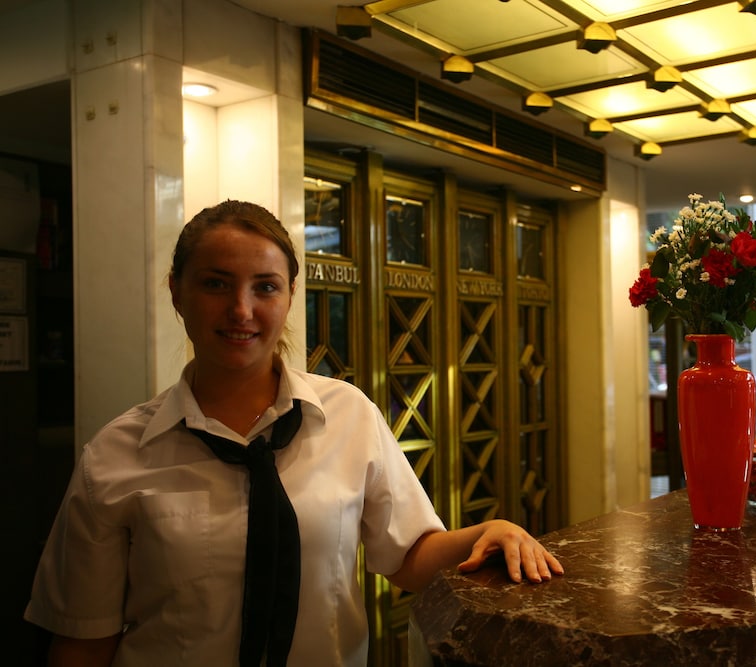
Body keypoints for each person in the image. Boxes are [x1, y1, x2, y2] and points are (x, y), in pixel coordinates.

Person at [24, 200, 564, 667]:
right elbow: (83, 640)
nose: (241, 310)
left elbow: (407, 558)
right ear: (176, 293)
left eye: (265, 287)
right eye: (215, 284)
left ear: (289, 297)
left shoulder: (348, 415)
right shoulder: (115, 456)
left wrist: (488, 532)